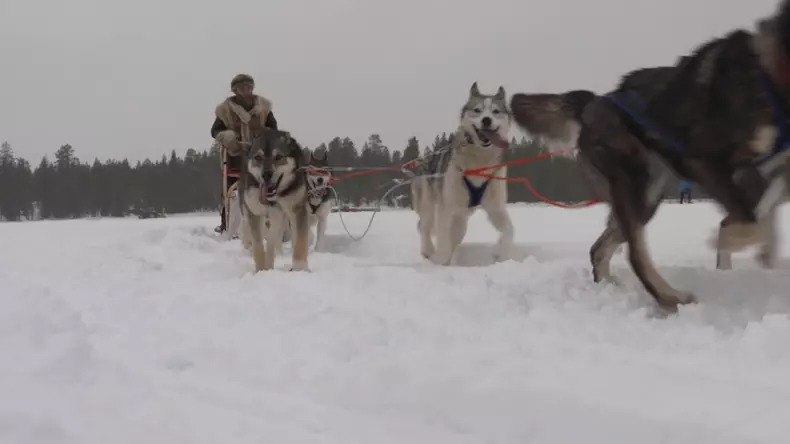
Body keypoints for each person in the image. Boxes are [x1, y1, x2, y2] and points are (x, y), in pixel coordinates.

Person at [211, 74, 278, 233]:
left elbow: (274, 128)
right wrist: (227, 137)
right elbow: (215, 130)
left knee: (269, 184)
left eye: (248, 87)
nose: (246, 91)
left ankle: (271, 222)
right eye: (242, 88)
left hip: (260, 156)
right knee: (229, 190)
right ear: (235, 90)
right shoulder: (225, 109)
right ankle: (227, 223)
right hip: (235, 155)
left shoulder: (264, 107)